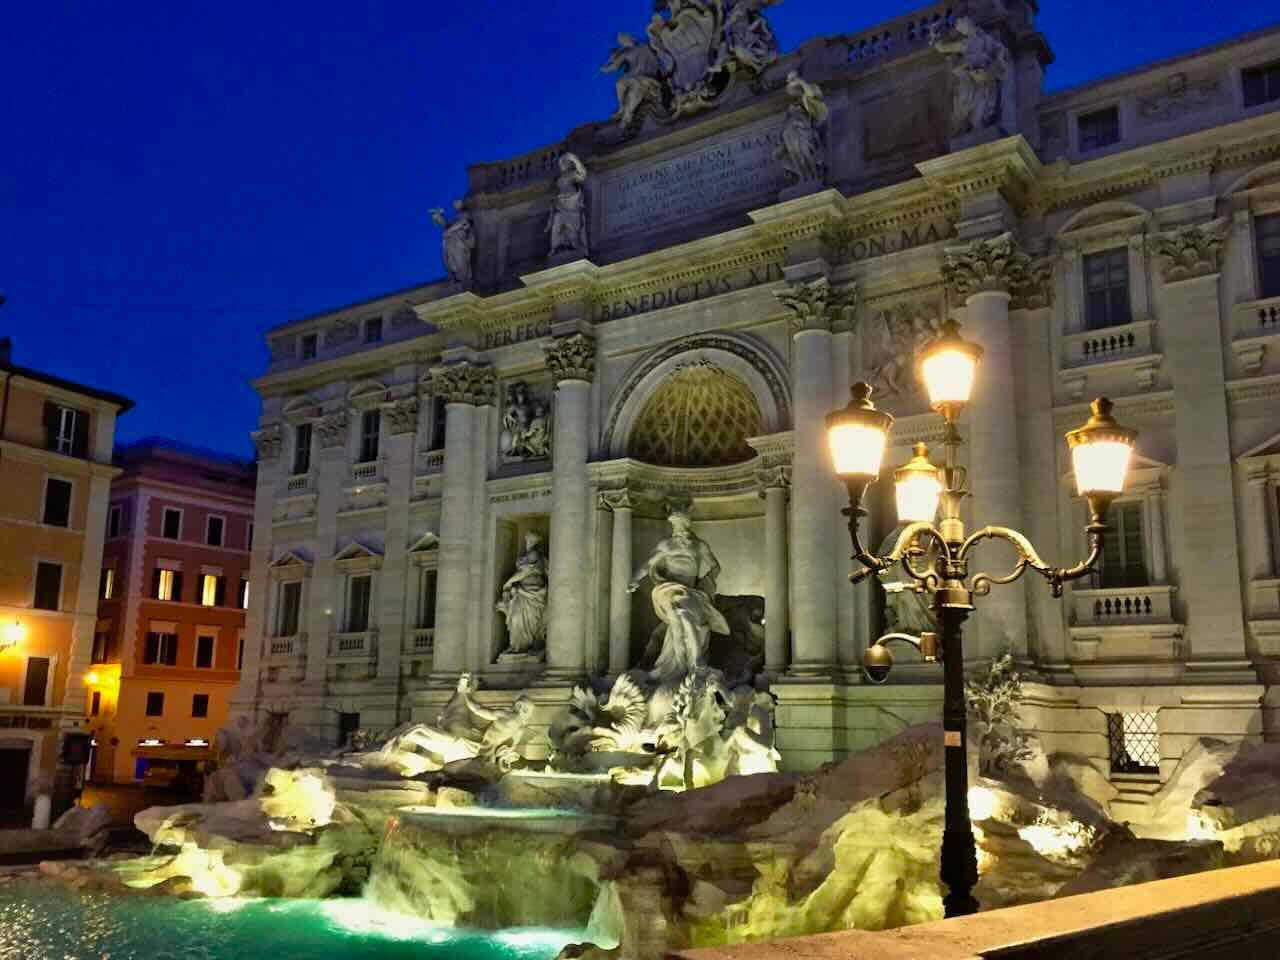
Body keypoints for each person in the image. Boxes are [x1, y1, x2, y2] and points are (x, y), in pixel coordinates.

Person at [629, 508, 729, 683]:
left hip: (691, 591)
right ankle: (689, 664)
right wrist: (635, 579)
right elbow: (648, 564)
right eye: (675, 525)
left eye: (680, 524)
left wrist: (707, 582)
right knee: (678, 612)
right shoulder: (666, 545)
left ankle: (678, 664)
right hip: (669, 589)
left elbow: (715, 567)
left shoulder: (699, 545)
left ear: (687, 525)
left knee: (682, 617)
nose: (677, 529)